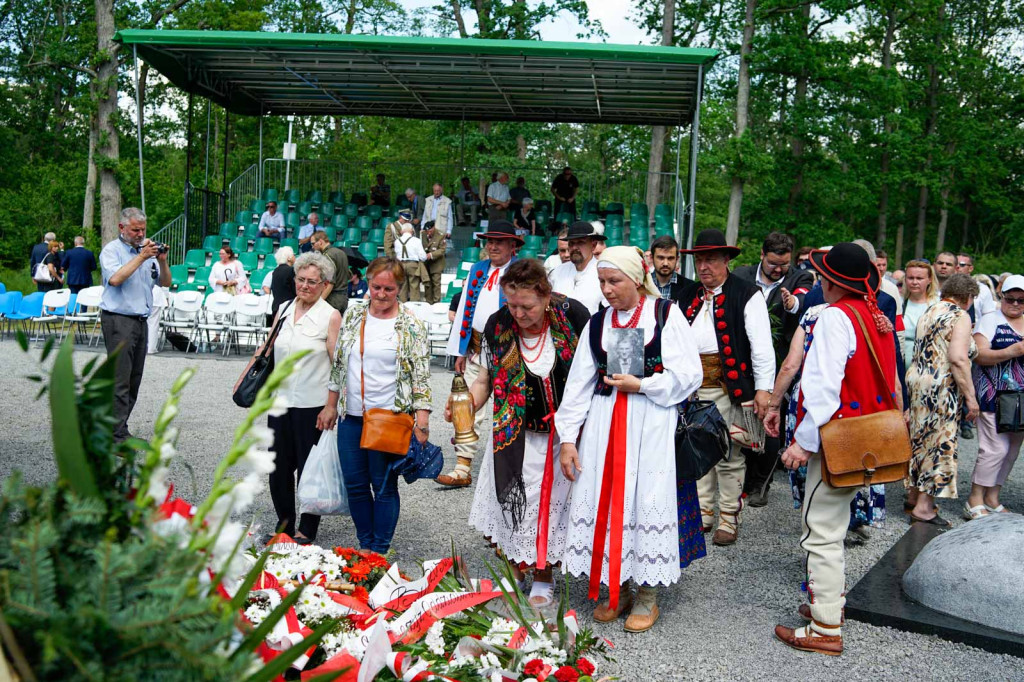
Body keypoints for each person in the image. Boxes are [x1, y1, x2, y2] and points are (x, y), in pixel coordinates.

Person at [556, 245, 705, 633]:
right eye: (602, 281)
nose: (606, 289)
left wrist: (644, 384)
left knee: (645, 499)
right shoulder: (598, 323)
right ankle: (616, 587)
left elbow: (689, 374)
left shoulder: (665, 315)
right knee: (605, 498)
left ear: (637, 279)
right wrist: (568, 439)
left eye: (614, 281)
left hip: (650, 422)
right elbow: (578, 385)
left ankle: (647, 596)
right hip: (605, 423)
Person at [774, 242, 898, 657]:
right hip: (868, 435)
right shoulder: (874, 314)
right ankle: (828, 606)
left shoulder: (834, 317)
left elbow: (823, 389)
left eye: (823, 275)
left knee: (821, 531)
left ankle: (825, 627)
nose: (820, 281)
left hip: (837, 437)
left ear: (831, 280)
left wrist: (802, 444)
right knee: (834, 522)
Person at [455, 260, 591, 607]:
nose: (518, 313)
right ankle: (515, 568)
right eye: (511, 304)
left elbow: (590, 376)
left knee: (552, 507)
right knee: (513, 501)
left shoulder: (574, 316)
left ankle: (543, 576)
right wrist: (467, 404)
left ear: (546, 296)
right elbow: (485, 379)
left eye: (526, 306)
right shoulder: (497, 324)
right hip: (514, 433)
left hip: (563, 437)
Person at [676, 230, 775, 545]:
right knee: (697, 449)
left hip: (730, 387)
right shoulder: (686, 295)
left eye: (711, 260)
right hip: (692, 388)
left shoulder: (747, 294)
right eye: (700, 260)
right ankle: (703, 513)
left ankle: (729, 518)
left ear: (726, 260)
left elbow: (762, 348)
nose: (704, 266)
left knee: (730, 454)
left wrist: (763, 390)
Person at [327, 258, 432, 553]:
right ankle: (365, 544)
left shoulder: (411, 323)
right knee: (356, 486)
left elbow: (421, 376)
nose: (381, 294)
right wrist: (330, 404)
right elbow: (338, 363)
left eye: (389, 289)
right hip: (352, 416)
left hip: (390, 416)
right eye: (376, 287)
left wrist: (421, 421)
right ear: (367, 284)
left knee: (384, 486)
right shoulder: (354, 314)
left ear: (399, 288)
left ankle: (379, 549)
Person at [263, 252, 342, 545]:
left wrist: (331, 405)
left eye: (312, 281)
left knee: (310, 469)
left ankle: (307, 528)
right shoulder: (282, 309)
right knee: (278, 468)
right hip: (280, 402)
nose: (305, 286)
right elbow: (266, 351)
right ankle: (283, 525)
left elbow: (338, 363)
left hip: (313, 405)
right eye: (301, 279)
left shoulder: (330, 315)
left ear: (324, 285)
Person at [732, 232, 814, 506]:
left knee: (770, 421)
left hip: (780, 362)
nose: (779, 270)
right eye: (772, 264)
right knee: (743, 417)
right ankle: (739, 479)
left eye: (784, 265)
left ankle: (760, 483)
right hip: (744, 359)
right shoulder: (741, 275)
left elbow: (801, 300)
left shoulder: (799, 277)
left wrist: (791, 303)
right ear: (761, 256)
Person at [442, 220, 521, 486]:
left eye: (499, 241)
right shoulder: (477, 269)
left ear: (513, 246)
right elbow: (465, 310)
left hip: (510, 351)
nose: (493, 245)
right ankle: (463, 467)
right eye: (490, 241)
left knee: (509, 410)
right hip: (477, 348)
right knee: (467, 407)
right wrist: (460, 350)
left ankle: (510, 469)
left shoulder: (520, 272)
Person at [906, 273, 979, 526]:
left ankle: (914, 496)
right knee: (940, 443)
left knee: (920, 441)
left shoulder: (929, 310)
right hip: (942, 386)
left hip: (918, 382)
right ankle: (925, 508)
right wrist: (971, 398)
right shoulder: (960, 316)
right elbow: (958, 358)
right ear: (968, 297)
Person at [99, 207, 171, 442]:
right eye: (135, 230)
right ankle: (114, 435)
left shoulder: (146, 253)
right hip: (119, 319)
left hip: (141, 320)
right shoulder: (112, 251)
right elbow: (115, 279)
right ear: (122, 228)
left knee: (134, 379)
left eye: (143, 230)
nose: (141, 234)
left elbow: (165, 282)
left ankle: (119, 428)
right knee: (120, 379)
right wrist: (141, 257)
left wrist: (162, 261)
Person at [967, 274, 1024, 520]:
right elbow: (979, 355)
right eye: (1009, 298)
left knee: (1012, 448)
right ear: (1001, 296)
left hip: (1020, 396)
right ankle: (974, 498)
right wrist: (1012, 351)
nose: (1015, 304)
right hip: (993, 392)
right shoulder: (990, 320)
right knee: (994, 448)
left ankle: (992, 496)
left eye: (1021, 300)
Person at [548, 221, 607, 315]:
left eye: (580, 242)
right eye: (571, 243)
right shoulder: (556, 273)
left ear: (593, 245)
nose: (574, 247)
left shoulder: (604, 273)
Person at [901, 259, 939, 365]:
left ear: (929, 279)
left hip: (929, 361)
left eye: (919, 278)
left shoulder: (938, 304)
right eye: (910, 278)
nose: (914, 282)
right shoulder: (899, 303)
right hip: (902, 360)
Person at [310, 231, 350, 313]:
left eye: (313, 243)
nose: (312, 246)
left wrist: (318, 303)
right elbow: (349, 275)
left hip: (332, 300)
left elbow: (330, 283)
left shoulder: (327, 256)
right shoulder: (341, 253)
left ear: (320, 242)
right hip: (344, 298)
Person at [649, 235, 690, 300]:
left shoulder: (689, 288)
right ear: (651, 258)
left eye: (670, 258)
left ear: (677, 259)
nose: (665, 263)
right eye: (661, 258)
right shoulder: (642, 285)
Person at [394, 221, 427, 302]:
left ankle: (402, 307)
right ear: (412, 231)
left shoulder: (397, 241)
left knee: (402, 287)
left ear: (402, 231)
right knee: (414, 287)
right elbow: (423, 257)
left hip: (401, 265)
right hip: (413, 265)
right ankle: (414, 308)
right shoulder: (416, 241)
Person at [420, 220, 447, 304]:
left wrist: (431, 255)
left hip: (436, 264)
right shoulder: (423, 234)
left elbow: (442, 250)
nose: (428, 232)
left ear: (433, 228)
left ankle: (436, 302)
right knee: (427, 283)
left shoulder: (440, 235)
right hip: (426, 264)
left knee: (436, 284)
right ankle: (428, 302)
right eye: (427, 231)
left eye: (430, 231)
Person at [268, 246, 297, 324]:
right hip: (288, 308)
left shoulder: (275, 271)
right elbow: (295, 290)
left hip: (276, 306)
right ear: (289, 258)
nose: (295, 256)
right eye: (293, 255)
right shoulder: (291, 270)